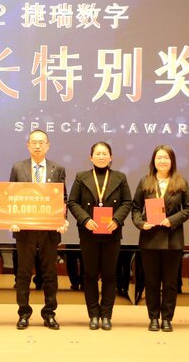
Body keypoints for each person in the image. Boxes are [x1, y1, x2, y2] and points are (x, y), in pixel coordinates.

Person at [68, 141, 132, 330]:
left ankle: (106, 315)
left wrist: (117, 220)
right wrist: (85, 219)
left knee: (110, 275)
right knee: (89, 274)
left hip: (112, 233)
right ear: (91, 157)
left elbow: (127, 202)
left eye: (105, 154)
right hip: (89, 232)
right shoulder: (82, 177)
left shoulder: (120, 177)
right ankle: (93, 315)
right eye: (98, 153)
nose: (101, 157)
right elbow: (73, 202)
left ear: (111, 157)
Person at [9, 129, 68, 330]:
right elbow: (11, 196)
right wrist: (12, 219)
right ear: (28, 145)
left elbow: (63, 199)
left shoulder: (57, 169)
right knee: (23, 273)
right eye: (33, 142)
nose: (37, 146)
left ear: (47, 146)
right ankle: (23, 313)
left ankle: (49, 313)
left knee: (49, 273)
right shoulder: (18, 167)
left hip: (49, 230)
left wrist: (63, 220)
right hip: (24, 229)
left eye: (41, 142)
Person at [132, 145, 189, 332]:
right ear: (153, 161)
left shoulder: (180, 182)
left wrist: (172, 220)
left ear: (172, 161)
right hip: (149, 239)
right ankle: (153, 317)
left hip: (172, 240)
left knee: (170, 282)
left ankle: (167, 318)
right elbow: (136, 208)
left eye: (166, 158)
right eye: (159, 158)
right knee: (151, 281)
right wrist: (141, 223)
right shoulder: (145, 181)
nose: (162, 161)